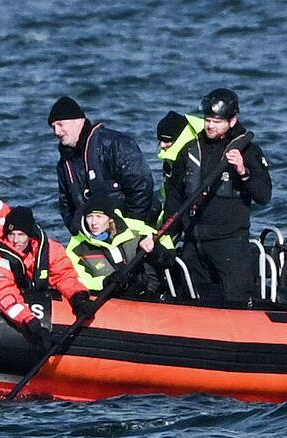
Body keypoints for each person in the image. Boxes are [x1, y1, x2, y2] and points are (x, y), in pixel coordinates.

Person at [164, 88, 272, 303]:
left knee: (236, 299)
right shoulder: (190, 150)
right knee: (191, 299)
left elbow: (264, 195)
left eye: (217, 121)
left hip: (229, 243)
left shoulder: (248, 150)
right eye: (207, 120)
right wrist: (165, 234)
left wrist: (243, 172)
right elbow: (175, 197)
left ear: (232, 120)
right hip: (193, 243)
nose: (210, 125)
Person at [0, 206, 93, 350]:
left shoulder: (50, 249)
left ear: (30, 234)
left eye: (21, 234)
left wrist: (79, 298)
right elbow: (5, 294)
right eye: (11, 234)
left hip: (36, 296)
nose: (15, 240)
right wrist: (31, 325)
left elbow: (64, 276)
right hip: (14, 306)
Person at [49, 95, 156, 232]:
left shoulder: (114, 144)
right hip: (92, 235)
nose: (57, 132)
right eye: (53, 127)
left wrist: (131, 227)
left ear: (78, 121)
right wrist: (77, 230)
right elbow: (66, 205)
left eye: (60, 125)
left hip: (133, 227)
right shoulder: (65, 163)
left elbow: (141, 185)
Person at [65, 190, 171, 297]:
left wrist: (156, 247)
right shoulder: (76, 246)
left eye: (99, 217)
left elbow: (166, 242)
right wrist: (105, 282)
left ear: (110, 218)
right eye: (90, 217)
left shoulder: (134, 228)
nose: (93, 222)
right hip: (108, 297)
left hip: (148, 293)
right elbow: (76, 279)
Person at [155, 109, 203, 208]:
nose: (162, 145)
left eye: (167, 141)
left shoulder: (194, 153)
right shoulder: (169, 158)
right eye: (160, 141)